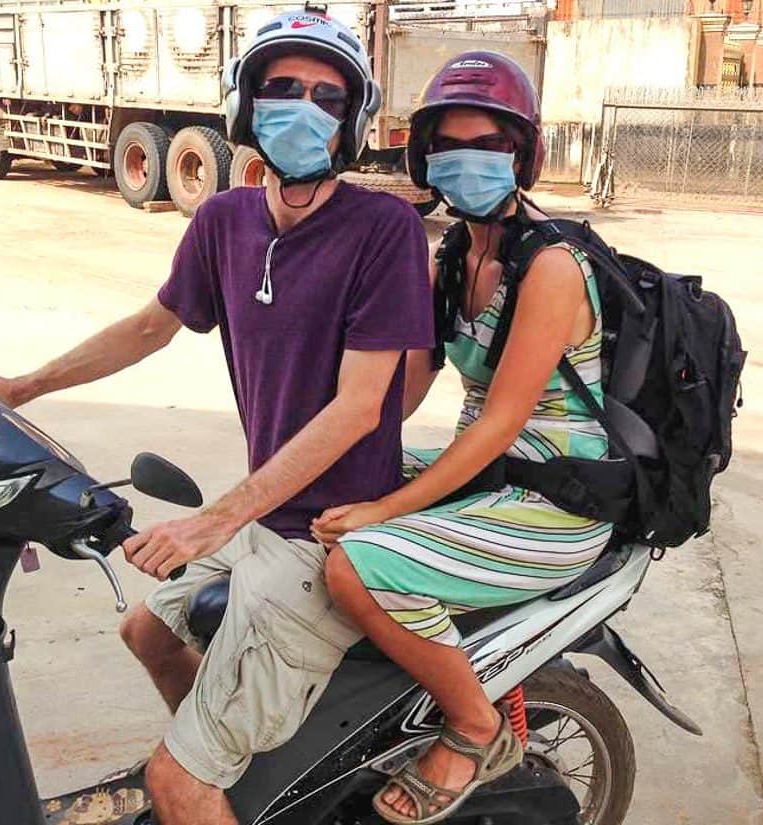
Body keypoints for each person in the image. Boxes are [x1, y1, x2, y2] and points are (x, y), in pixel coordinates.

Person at [0, 9, 433, 825]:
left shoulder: (384, 230)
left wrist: (212, 522)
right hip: (267, 518)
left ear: (350, 123)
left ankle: (198, 784)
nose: (302, 107)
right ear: (244, 105)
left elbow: (357, 410)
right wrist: (21, 386)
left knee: (174, 786)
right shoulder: (224, 221)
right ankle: (238, 780)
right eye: (281, 88)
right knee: (145, 630)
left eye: (326, 96)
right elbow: (150, 325)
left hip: (326, 537)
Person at [311, 51, 614, 824]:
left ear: (523, 153)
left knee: (357, 568)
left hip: (556, 498)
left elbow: (505, 420)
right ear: (423, 157)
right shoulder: (455, 253)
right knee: (327, 494)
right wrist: (334, 448)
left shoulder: (551, 265)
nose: (469, 161)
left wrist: (387, 509)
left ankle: (477, 726)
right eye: (451, 145)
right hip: (492, 471)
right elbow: (406, 387)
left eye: (491, 145)